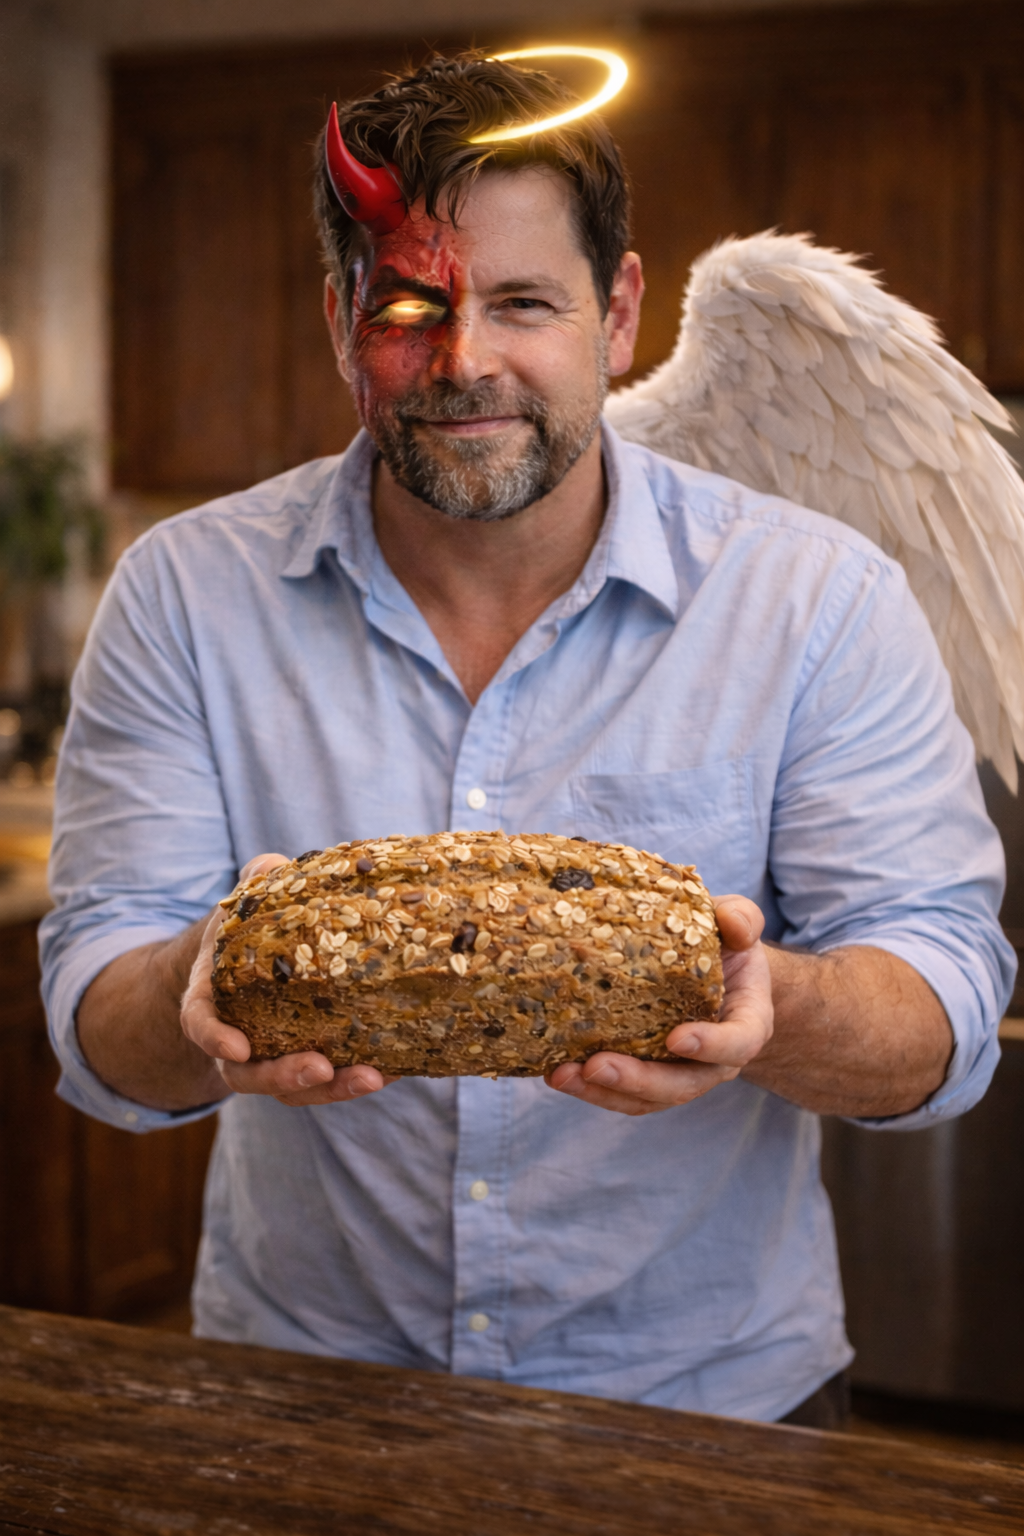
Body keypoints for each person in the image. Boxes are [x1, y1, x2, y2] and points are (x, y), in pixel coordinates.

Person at [41, 53, 1014, 1427]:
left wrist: (772, 1009)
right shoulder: (185, 594)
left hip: (711, 1413)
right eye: (412, 306)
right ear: (339, 323)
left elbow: (945, 1004)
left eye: (522, 303)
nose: (464, 360)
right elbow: (94, 1021)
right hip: (298, 1399)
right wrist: (199, 991)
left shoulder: (815, 597)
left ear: (617, 315)